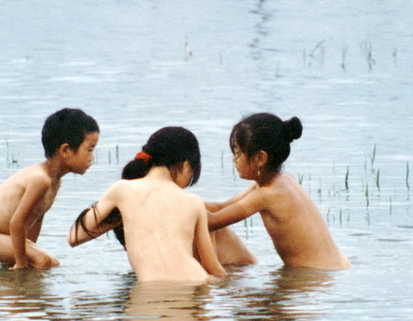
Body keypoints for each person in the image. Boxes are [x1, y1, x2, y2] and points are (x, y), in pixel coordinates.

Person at [68, 127, 226, 284]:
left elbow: (75, 237)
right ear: (185, 165)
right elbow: (213, 268)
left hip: (149, 292)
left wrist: (124, 216)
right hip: (195, 282)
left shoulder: (121, 190)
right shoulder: (194, 202)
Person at [206, 113, 350, 270]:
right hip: (335, 268)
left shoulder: (267, 195)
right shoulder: (281, 181)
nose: (234, 159)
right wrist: (181, 198)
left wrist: (180, 205)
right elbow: (220, 208)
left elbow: (213, 221)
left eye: (238, 153)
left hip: (312, 276)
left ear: (260, 158)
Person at [0, 108, 99, 269]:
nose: (92, 157)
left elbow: (36, 218)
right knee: (43, 261)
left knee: (47, 262)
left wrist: (29, 252)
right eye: (89, 149)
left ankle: (14, 289)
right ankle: (22, 287)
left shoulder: (54, 181)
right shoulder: (40, 180)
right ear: (65, 150)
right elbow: (17, 222)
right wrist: (22, 264)